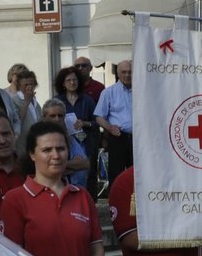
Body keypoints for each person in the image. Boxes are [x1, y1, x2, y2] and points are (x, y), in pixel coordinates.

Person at [0, 120, 104, 256]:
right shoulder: (15, 200)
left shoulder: (82, 196)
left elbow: (96, 250)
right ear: (31, 154)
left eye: (61, 148)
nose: (55, 155)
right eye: (46, 150)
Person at [55, 65, 99, 194]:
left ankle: (86, 203)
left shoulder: (88, 100)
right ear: (63, 83)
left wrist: (85, 123)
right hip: (64, 143)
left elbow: (97, 122)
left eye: (74, 80)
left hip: (85, 142)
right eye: (68, 80)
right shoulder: (57, 100)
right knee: (64, 172)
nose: (72, 83)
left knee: (84, 174)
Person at [94, 60, 134, 187]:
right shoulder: (108, 92)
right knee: (116, 174)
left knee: (138, 174)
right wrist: (109, 128)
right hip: (118, 137)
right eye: (124, 72)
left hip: (139, 139)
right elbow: (99, 117)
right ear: (118, 73)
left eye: (130, 72)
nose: (127, 75)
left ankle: (139, 205)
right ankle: (116, 205)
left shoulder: (142, 91)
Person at [40, 98, 90, 189]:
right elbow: (44, 170)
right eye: (52, 116)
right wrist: (72, 165)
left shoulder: (69, 139)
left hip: (76, 190)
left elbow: (84, 164)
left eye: (60, 116)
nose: (57, 119)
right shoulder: (39, 139)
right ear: (44, 117)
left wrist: (58, 165)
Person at [14, 68, 43, 135]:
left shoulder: (36, 103)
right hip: (21, 143)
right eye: (26, 85)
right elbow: (16, 122)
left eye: (31, 84)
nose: (29, 87)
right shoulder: (14, 101)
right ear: (19, 86)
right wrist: (26, 102)